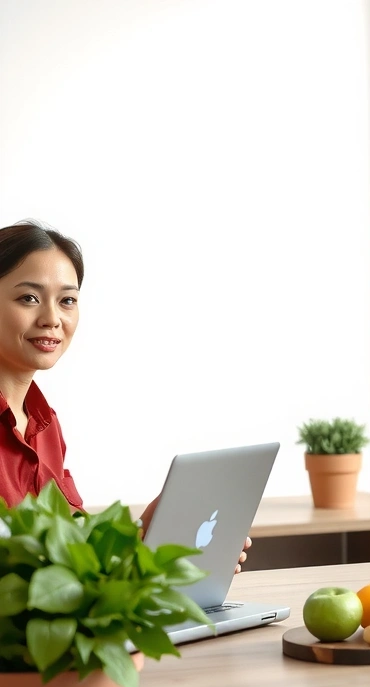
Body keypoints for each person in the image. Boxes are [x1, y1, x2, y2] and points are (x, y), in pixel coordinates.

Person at [0, 221, 250, 571]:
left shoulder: (45, 424)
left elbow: (68, 548)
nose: (52, 318)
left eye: (67, 300)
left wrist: (142, 537)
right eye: (29, 298)